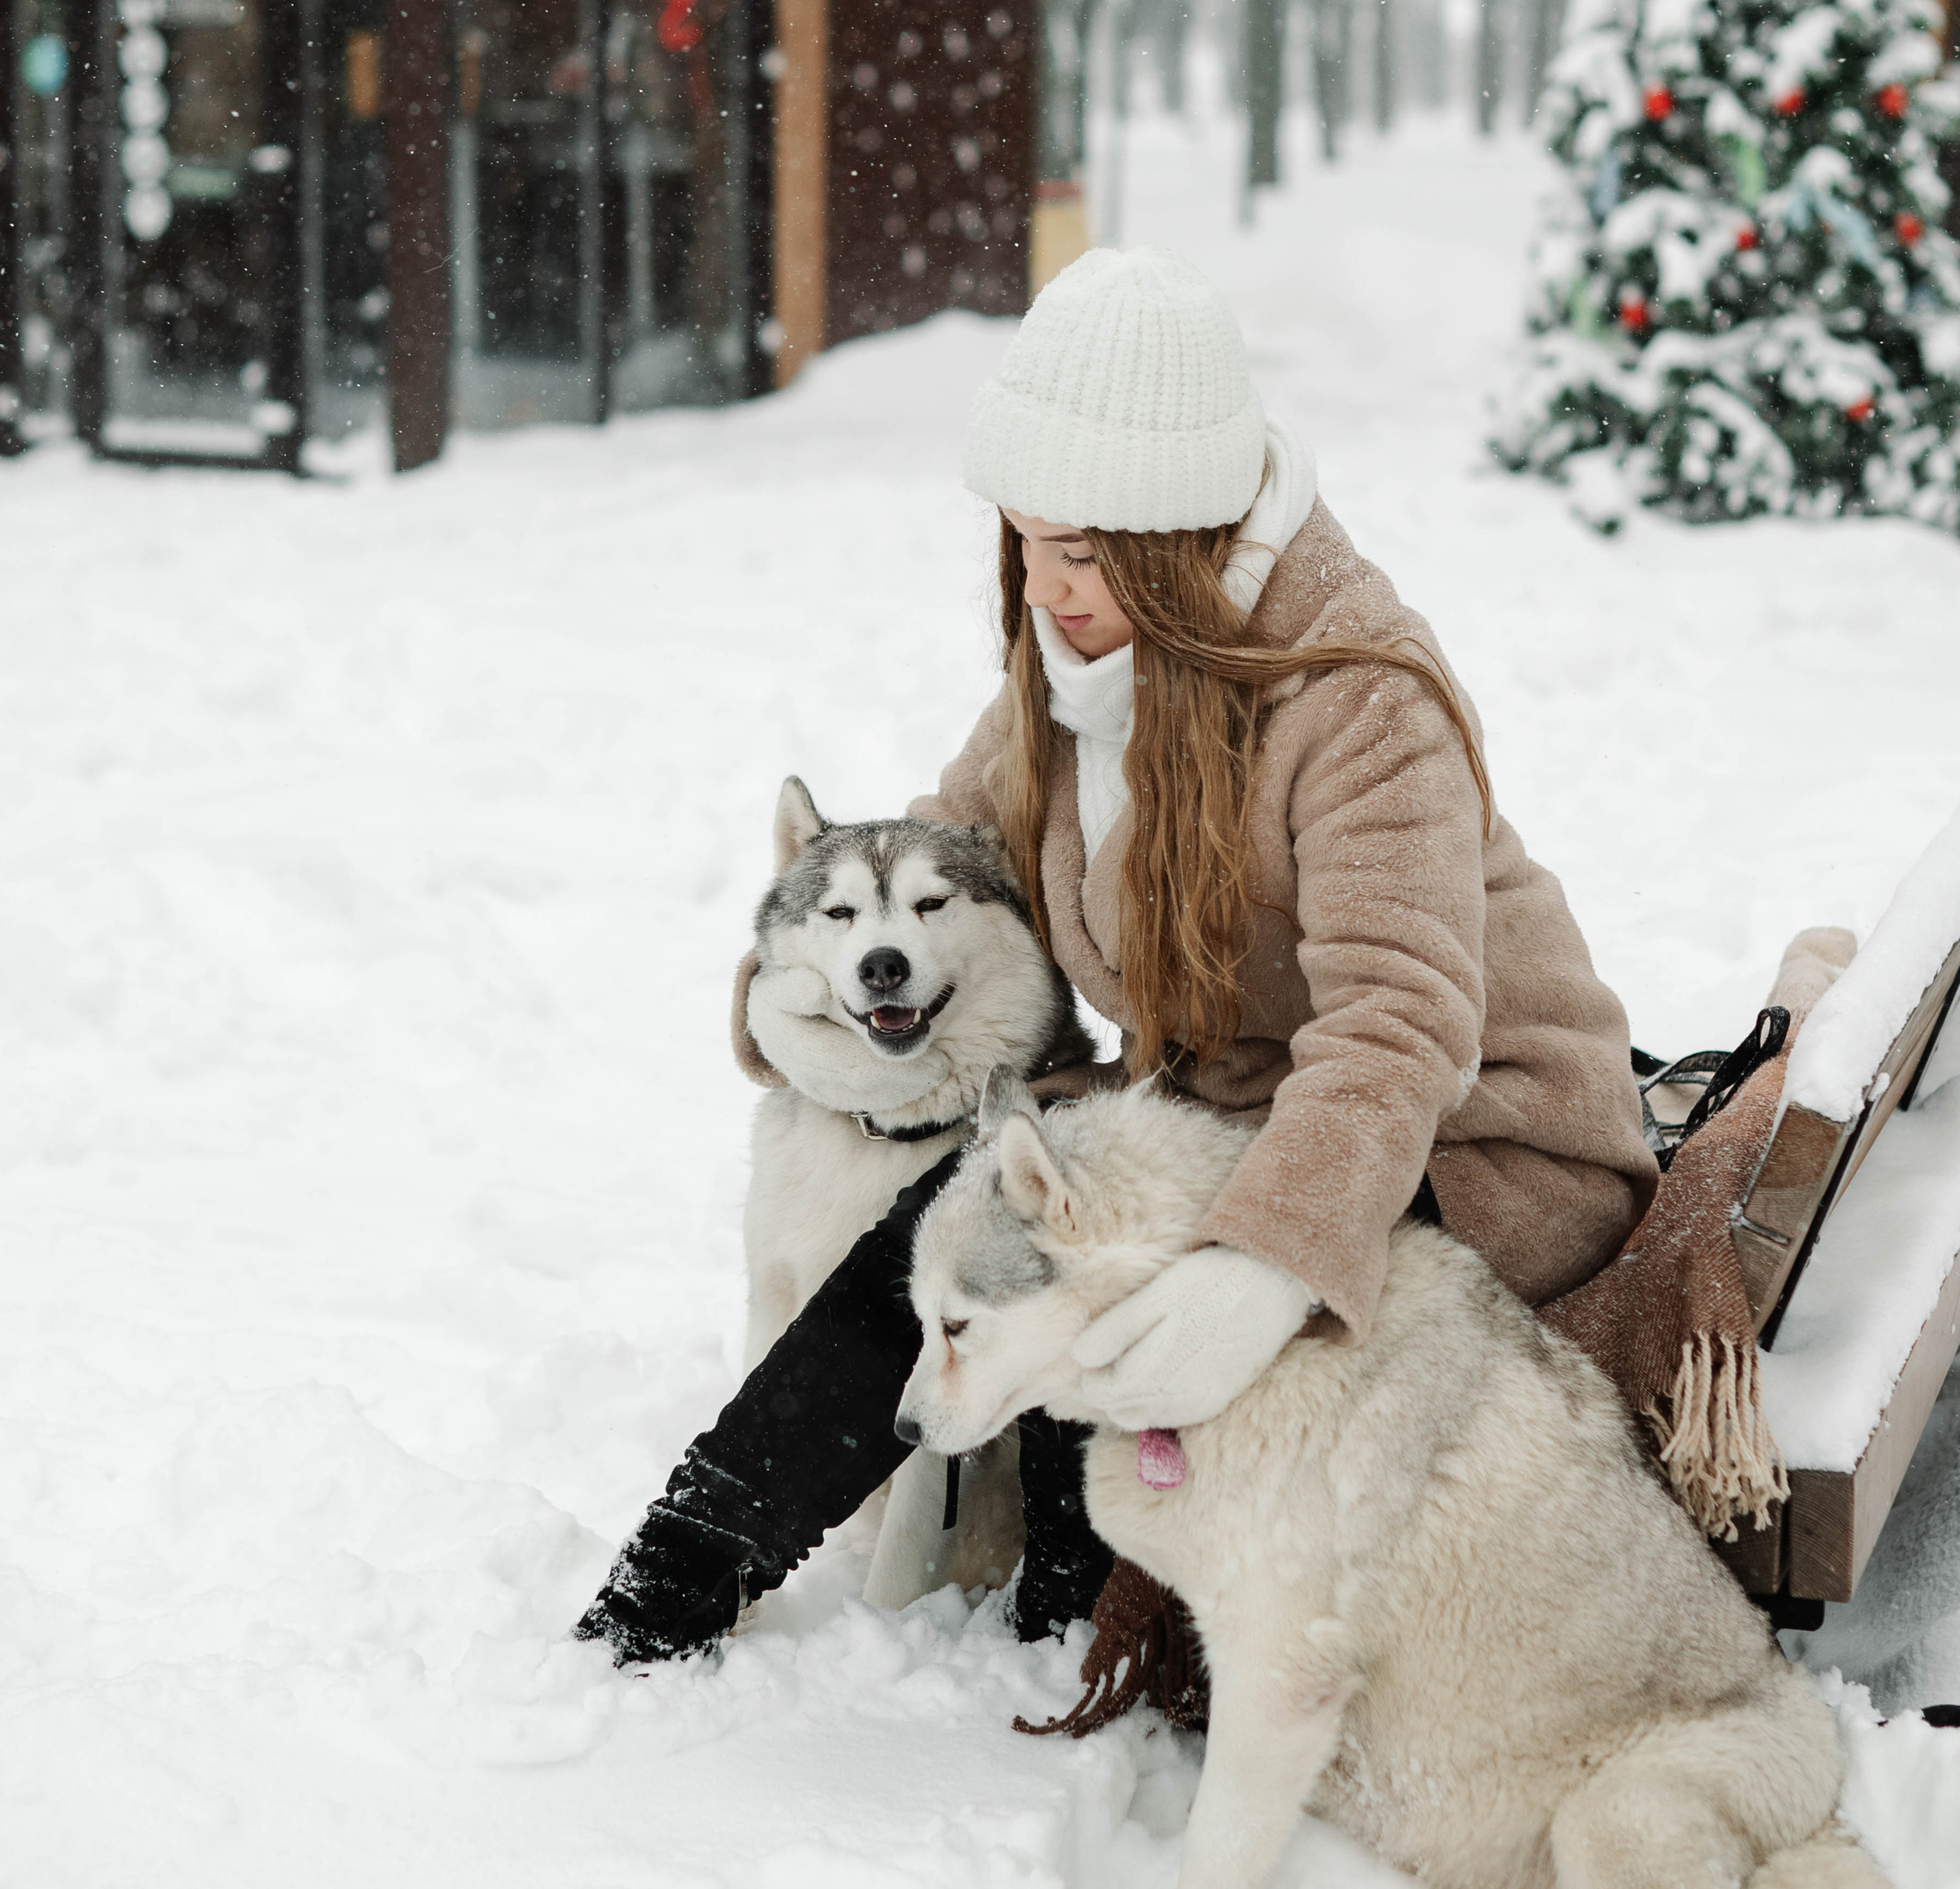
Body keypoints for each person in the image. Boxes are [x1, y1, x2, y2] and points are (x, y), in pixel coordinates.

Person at [578, 245, 1658, 1665]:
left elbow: (1399, 1032)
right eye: (1027, 536)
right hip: (1228, 1128)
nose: (1049, 583)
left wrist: (1266, 1265)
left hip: (1470, 1146)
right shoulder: (1068, 682)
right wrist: (799, 996)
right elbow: (940, 865)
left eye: (1091, 554)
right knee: (955, 1214)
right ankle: (674, 1592)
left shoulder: (1359, 695)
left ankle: (1077, 1633)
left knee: (1105, 1252)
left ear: (1185, 545)